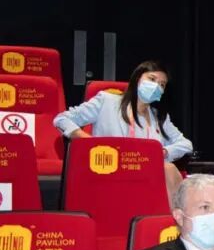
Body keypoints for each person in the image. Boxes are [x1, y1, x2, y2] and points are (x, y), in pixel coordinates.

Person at [53, 60, 191, 198]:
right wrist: (89, 141)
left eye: (162, 84)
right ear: (137, 79)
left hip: (146, 172)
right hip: (112, 168)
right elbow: (62, 119)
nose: (156, 86)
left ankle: (177, 211)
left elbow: (186, 144)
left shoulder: (159, 117)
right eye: (152, 79)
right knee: (168, 169)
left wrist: (163, 152)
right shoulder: (106, 101)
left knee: (170, 169)